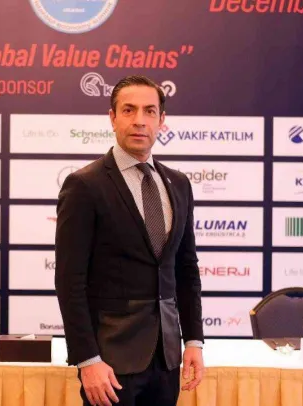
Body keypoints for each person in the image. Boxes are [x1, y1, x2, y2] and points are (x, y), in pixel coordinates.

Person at [55, 75, 205, 406]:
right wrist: (87, 360)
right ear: (112, 118)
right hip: (110, 362)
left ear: (162, 120)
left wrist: (193, 340)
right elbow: (69, 280)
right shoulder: (84, 185)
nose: (139, 120)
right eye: (128, 110)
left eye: (149, 111)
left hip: (166, 360)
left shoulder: (179, 184)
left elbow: (186, 268)